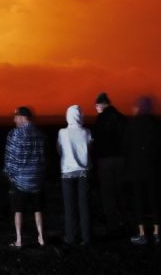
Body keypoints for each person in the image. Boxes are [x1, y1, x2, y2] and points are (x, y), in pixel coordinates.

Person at [4, 106, 47, 247]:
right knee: (38, 209)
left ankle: (19, 240)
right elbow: (43, 157)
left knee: (18, 210)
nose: (14, 119)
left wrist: (10, 175)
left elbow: (10, 158)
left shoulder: (14, 134)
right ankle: (41, 237)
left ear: (23, 117)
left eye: (16, 117)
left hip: (20, 180)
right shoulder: (40, 134)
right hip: (37, 179)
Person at [124, 95, 161, 245]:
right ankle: (157, 233)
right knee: (154, 200)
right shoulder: (156, 124)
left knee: (138, 201)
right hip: (153, 168)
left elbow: (125, 147)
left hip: (136, 169)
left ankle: (142, 234)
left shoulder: (132, 125)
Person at [91, 92, 127, 235]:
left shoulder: (100, 120)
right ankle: (125, 218)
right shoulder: (122, 118)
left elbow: (96, 141)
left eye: (96, 106)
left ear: (100, 105)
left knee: (107, 192)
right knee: (121, 190)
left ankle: (112, 223)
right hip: (121, 159)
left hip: (105, 160)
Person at [57, 104, 93, 245]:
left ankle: (71, 237)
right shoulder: (87, 132)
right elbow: (90, 150)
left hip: (67, 173)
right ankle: (87, 238)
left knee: (69, 207)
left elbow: (59, 150)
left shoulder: (62, 133)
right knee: (84, 206)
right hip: (84, 172)